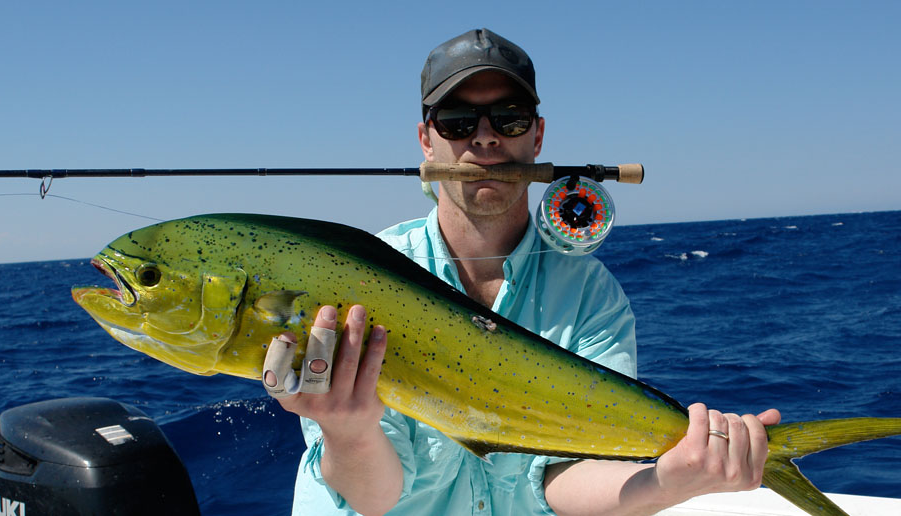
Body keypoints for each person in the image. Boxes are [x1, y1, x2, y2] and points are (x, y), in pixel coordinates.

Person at [266, 28, 781, 516]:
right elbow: (375, 499)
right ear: (427, 140)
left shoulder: (589, 294)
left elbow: (564, 471)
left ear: (537, 137)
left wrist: (670, 481)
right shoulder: (360, 281)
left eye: (508, 118)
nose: (485, 138)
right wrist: (348, 433)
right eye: (458, 121)